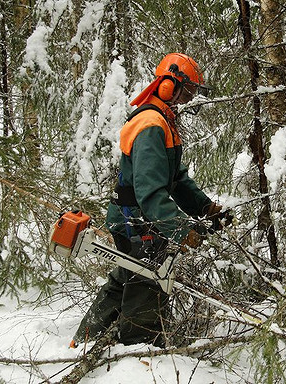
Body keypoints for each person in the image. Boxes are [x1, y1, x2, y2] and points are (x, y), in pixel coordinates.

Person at [71, 53, 230, 348]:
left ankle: (82, 342)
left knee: (124, 281)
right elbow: (150, 191)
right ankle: (139, 352)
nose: (187, 99)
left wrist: (206, 209)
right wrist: (181, 229)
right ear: (168, 85)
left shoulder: (162, 121)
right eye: (186, 91)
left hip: (136, 218)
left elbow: (177, 180)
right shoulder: (151, 125)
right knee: (148, 284)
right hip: (136, 221)